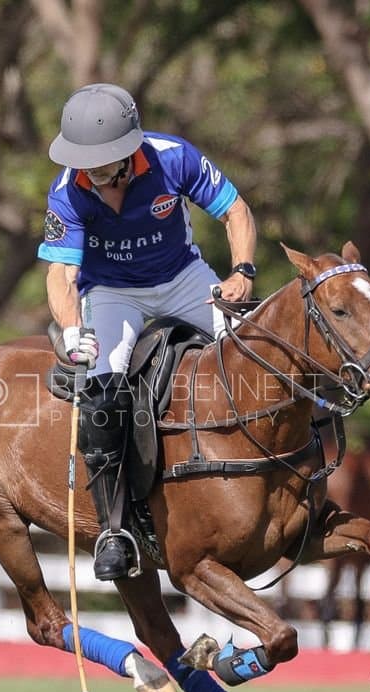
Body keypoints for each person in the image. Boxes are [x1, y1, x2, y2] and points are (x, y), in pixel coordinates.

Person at [37, 83, 258, 581]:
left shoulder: (174, 158)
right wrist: (73, 330)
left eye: (103, 159)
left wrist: (242, 271)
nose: (92, 170)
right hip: (113, 291)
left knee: (253, 351)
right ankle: (115, 529)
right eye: (83, 159)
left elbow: (235, 211)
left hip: (184, 279)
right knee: (100, 387)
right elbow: (60, 275)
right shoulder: (66, 192)